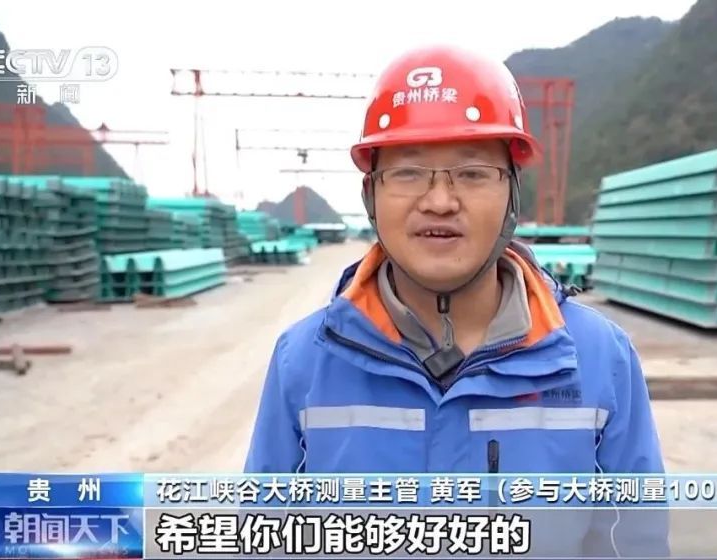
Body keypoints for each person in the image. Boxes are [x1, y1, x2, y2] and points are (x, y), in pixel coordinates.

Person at [245, 45, 668, 557]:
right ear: (370, 195)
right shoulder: (305, 361)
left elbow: (635, 542)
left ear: (512, 193)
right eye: (407, 172)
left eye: (472, 172)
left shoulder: (599, 358)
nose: (440, 201)